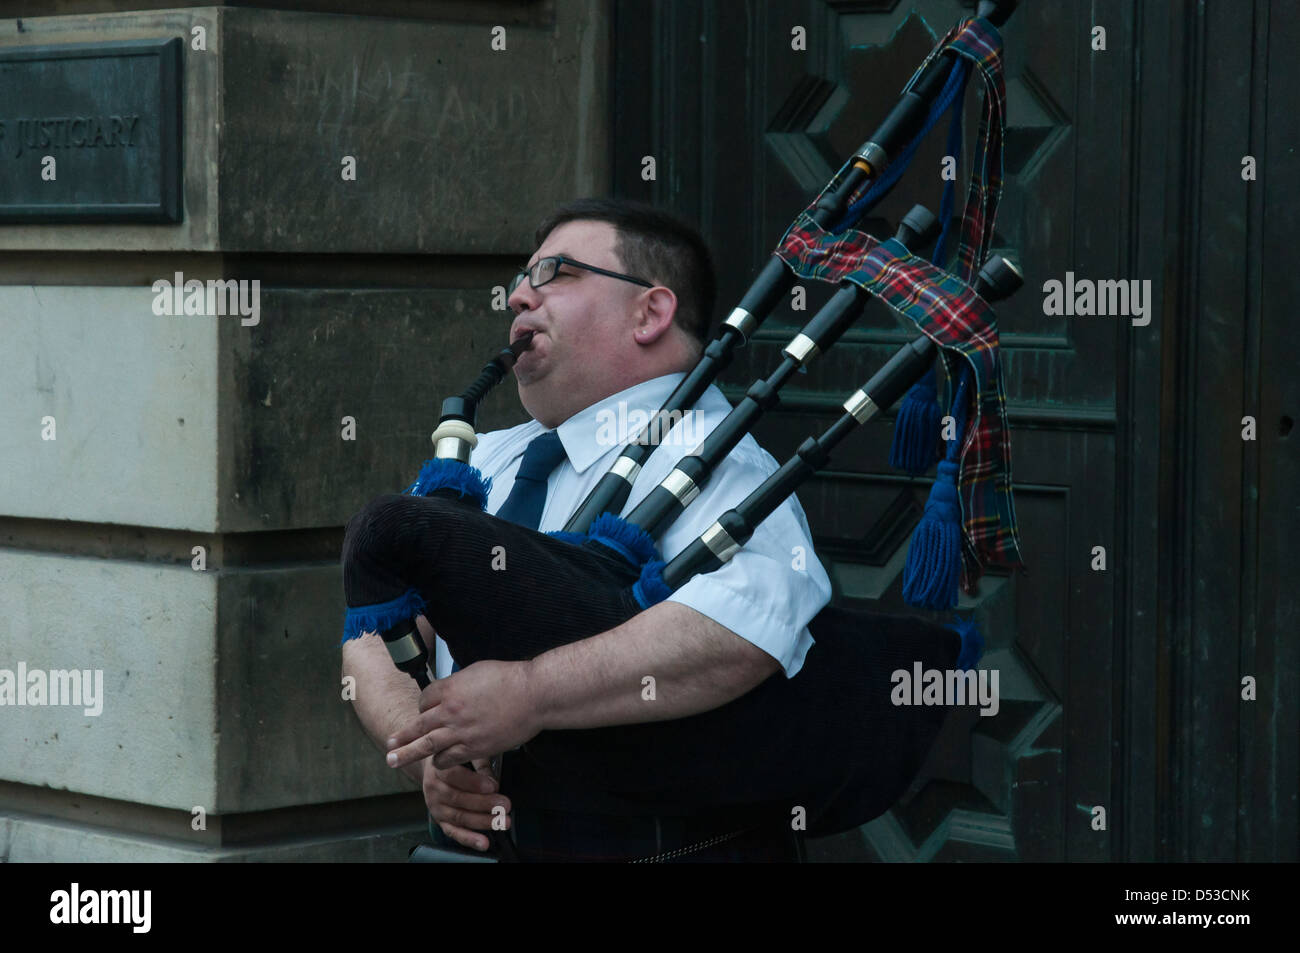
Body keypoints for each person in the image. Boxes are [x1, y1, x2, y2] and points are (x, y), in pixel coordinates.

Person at [342, 198, 832, 862]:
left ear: (650, 312)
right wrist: (428, 748)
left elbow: (746, 621)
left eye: (555, 273)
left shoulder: (718, 457)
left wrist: (532, 692)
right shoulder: (488, 458)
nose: (519, 295)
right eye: (522, 278)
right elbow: (375, 623)